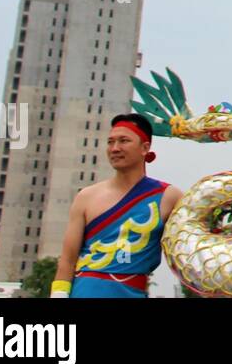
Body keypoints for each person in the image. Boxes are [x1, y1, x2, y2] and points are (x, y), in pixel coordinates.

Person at [51, 113, 183, 298]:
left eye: (123, 141)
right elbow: (67, 260)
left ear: (145, 147)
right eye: (110, 142)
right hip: (84, 291)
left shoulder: (169, 197)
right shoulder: (86, 197)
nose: (115, 148)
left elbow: (188, 250)